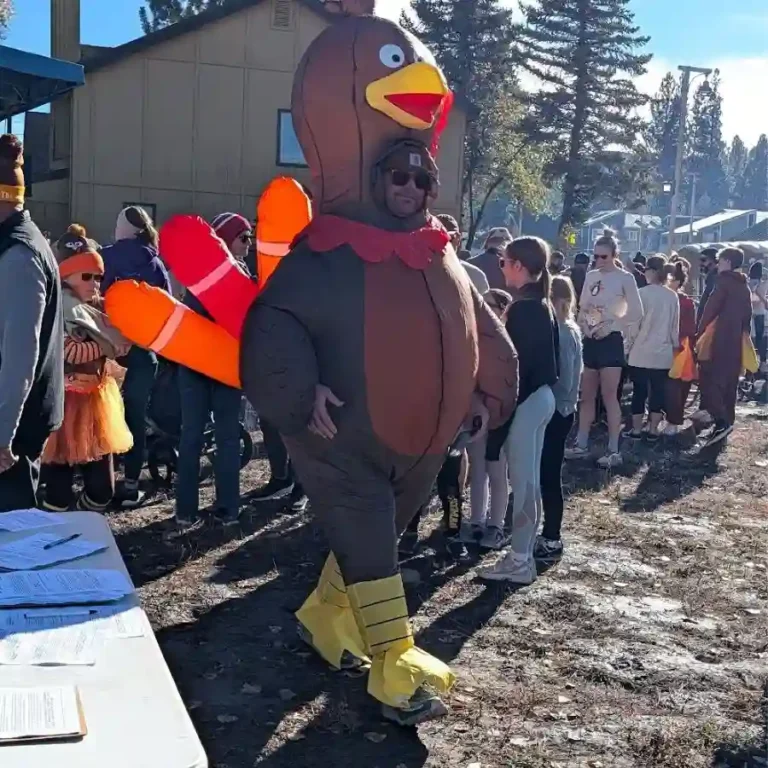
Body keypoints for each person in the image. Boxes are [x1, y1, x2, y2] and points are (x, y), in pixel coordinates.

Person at [137, 13, 519, 727]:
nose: (408, 185)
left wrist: (491, 383)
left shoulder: (437, 252)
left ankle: (324, 615)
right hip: (343, 423)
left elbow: (476, 320)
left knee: (378, 532)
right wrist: (296, 391)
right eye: (397, 174)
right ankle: (394, 658)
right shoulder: (325, 251)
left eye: (419, 176)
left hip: (425, 436)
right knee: (367, 522)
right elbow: (275, 325)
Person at [479, 237, 558, 583]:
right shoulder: (541, 303)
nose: (502, 269)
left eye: (504, 262)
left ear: (518, 266)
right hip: (541, 399)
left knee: (523, 484)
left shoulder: (526, 307)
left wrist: (502, 411)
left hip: (527, 401)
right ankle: (521, 556)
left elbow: (514, 367)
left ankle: (520, 560)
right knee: (530, 482)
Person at [41, 236, 133, 511]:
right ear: (67, 276)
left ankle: (81, 524)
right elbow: (70, 352)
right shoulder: (59, 308)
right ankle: (54, 536)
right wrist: (108, 343)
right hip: (65, 405)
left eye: (98, 276)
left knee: (102, 490)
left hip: (95, 403)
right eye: (87, 276)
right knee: (58, 493)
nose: (95, 283)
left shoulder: (94, 310)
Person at [175, 213, 253, 528]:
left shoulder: (197, 272)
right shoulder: (234, 274)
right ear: (226, 240)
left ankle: (186, 512)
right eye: (243, 237)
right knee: (225, 436)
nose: (249, 243)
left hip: (195, 364)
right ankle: (227, 508)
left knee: (193, 436)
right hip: (221, 366)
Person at [0, 135, 64, 511]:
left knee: (8, 550)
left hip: (12, 438)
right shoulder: (18, 245)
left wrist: (2, 435)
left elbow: (22, 357)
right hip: (16, 422)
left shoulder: (19, 257)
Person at [101, 206, 171, 508]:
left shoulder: (105, 257)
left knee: (101, 416)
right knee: (133, 420)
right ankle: (130, 486)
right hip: (143, 353)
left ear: (124, 229)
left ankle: (101, 483)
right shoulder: (155, 263)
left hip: (105, 350)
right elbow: (167, 309)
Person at [567, 230, 643, 467]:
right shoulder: (591, 276)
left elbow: (636, 312)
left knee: (610, 395)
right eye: (596, 256)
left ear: (614, 255)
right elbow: (583, 306)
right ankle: (581, 443)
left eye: (604, 256)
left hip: (611, 341)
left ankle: (613, 449)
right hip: (590, 338)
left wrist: (611, 325)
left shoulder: (625, 278)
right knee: (587, 395)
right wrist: (586, 326)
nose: (599, 260)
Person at [535, 276, 582, 561]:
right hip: (565, 408)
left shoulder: (562, 333)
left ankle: (552, 536)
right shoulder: (571, 328)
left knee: (549, 476)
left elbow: (564, 378)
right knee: (548, 474)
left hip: (558, 409)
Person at [463, 289, 513, 549]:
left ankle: (496, 525)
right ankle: (476, 522)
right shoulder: (475, 336)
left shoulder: (508, 340)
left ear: (502, 310)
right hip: (476, 412)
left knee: (497, 470)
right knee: (477, 470)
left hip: (500, 415)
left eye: (489, 305)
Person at [696, 247, 752, 446]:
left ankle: (720, 422)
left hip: (717, 340)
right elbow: (748, 316)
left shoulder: (723, 282)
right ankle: (726, 422)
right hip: (735, 340)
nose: (717, 265)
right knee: (730, 383)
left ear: (727, 262)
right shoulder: (744, 285)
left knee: (708, 380)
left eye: (719, 261)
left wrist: (699, 333)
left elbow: (710, 309)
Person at [623, 255, 679, 441]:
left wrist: (628, 345)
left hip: (640, 351)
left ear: (652, 272)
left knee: (639, 391)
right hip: (663, 352)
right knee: (658, 391)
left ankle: (637, 429)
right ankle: (654, 429)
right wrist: (675, 347)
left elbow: (633, 324)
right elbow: (674, 327)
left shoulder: (642, 294)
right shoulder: (672, 296)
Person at [664, 258, 697, 436]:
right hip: (676, 345)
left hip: (679, 347)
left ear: (676, 281)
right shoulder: (683, 301)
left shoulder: (683, 302)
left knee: (674, 385)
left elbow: (688, 328)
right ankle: (671, 419)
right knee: (674, 385)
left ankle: (674, 420)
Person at [748, 261, 768, 368]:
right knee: (761, 338)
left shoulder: (748, 282)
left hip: (750, 312)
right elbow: (758, 293)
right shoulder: (762, 283)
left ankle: (751, 361)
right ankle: (763, 361)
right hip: (759, 312)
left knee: (750, 338)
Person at [697, 247, 720, 326]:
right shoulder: (711, 278)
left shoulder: (715, 278)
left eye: (704, 260)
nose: (701, 264)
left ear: (714, 261)